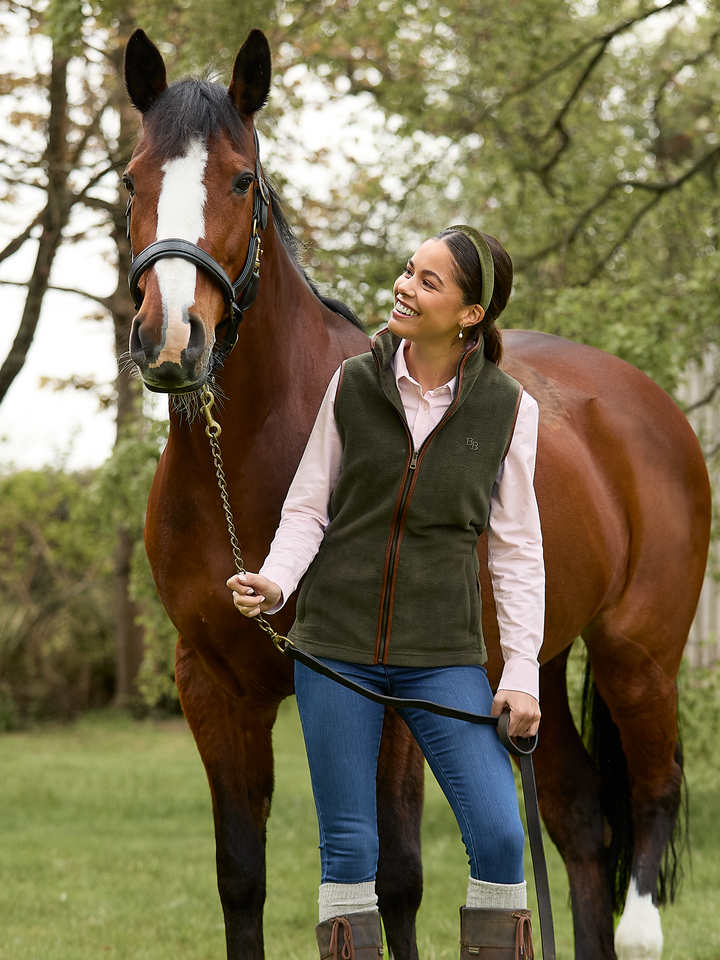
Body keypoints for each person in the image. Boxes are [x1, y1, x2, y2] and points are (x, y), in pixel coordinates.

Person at [227, 225, 544, 960]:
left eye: (429, 281)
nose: (405, 286)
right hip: (336, 648)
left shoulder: (508, 409)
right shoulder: (354, 381)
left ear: (469, 314)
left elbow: (520, 551)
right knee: (351, 847)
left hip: (444, 655)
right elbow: (309, 506)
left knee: (499, 834)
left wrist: (521, 672)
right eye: (409, 271)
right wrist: (275, 583)